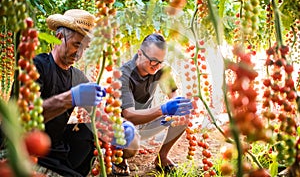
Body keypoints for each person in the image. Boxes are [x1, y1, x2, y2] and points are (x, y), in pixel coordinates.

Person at [32, 9, 135, 177]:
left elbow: (99, 115)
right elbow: (24, 117)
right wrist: (70, 98)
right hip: (27, 150)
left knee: (89, 133)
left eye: (85, 48)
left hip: (55, 148)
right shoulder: (36, 67)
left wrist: (117, 128)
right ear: (59, 38)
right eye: (77, 44)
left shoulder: (78, 77)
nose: (79, 54)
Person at [117, 33, 193, 176]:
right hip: (124, 125)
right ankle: (120, 159)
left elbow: (173, 95)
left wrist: (175, 107)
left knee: (183, 113)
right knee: (128, 137)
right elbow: (128, 114)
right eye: (153, 61)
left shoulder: (161, 69)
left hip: (146, 122)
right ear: (140, 53)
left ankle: (161, 158)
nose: (157, 66)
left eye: (161, 61)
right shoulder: (123, 75)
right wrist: (163, 109)